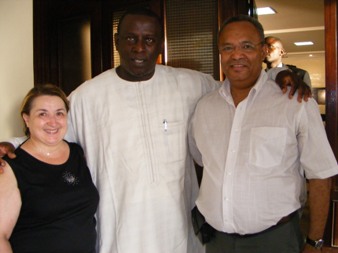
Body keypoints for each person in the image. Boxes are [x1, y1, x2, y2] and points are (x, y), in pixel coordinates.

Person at [0, 8, 310, 253]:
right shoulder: (88, 96)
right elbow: (51, 135)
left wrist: (280, 75)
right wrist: (9, 145)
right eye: (130, 39)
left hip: (179, 230)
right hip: (118, 232)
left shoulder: (191, 84)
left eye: (148, 40)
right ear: (118, 42)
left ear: (159, 44)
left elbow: (239, 86)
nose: (139, 48)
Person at [188, 15, 337, 253]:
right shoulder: (204, 107)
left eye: (247, 46)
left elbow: (321, 175)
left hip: (275, 240)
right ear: (220, 52)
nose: (237, 55)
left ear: (263, 50)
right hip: (217, 241)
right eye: (228, 48)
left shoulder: (294, 101)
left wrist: (314, 242)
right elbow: (203, 162)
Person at [0, 84, 99, 253]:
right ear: (26, 119)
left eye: (59, 113)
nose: (53, 122)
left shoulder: (77, 153)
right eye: (42, 114)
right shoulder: (12, 167)